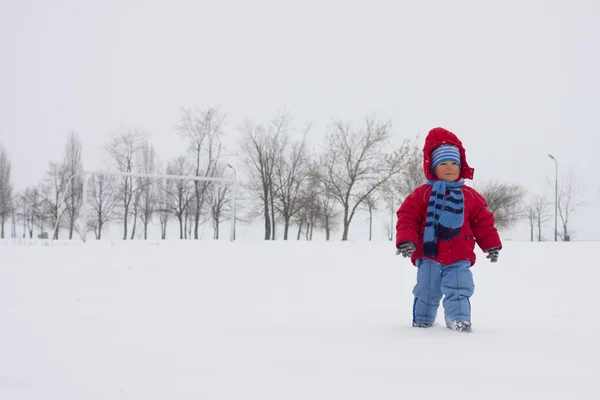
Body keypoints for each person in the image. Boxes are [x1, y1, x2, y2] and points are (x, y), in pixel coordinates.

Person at [395, 127, 502, 332]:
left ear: (461, 166)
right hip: (429, 253)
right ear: (433, 168)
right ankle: (422, 320)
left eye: (454, 163)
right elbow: (407, 217)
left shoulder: (470, 196)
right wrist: (406, 240)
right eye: (443, 164)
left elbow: (483, 222)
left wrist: (491, 245)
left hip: (460, 254)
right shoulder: (423, 194)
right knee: (427, 289)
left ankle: (459, 320)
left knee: (459, 289)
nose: (450, 168)